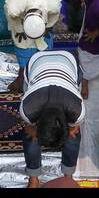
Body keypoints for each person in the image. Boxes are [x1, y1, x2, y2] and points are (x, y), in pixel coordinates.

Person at [19, 49, 84, 188]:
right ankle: (34, 177)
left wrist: (70, 130)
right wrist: (33, 131)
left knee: (74, 136)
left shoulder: (77, 110)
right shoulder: (27, 108)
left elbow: (73, 129)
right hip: (36, 61)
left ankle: (68, 175)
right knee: (30, 137)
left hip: (68, 61)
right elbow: (30, 129)